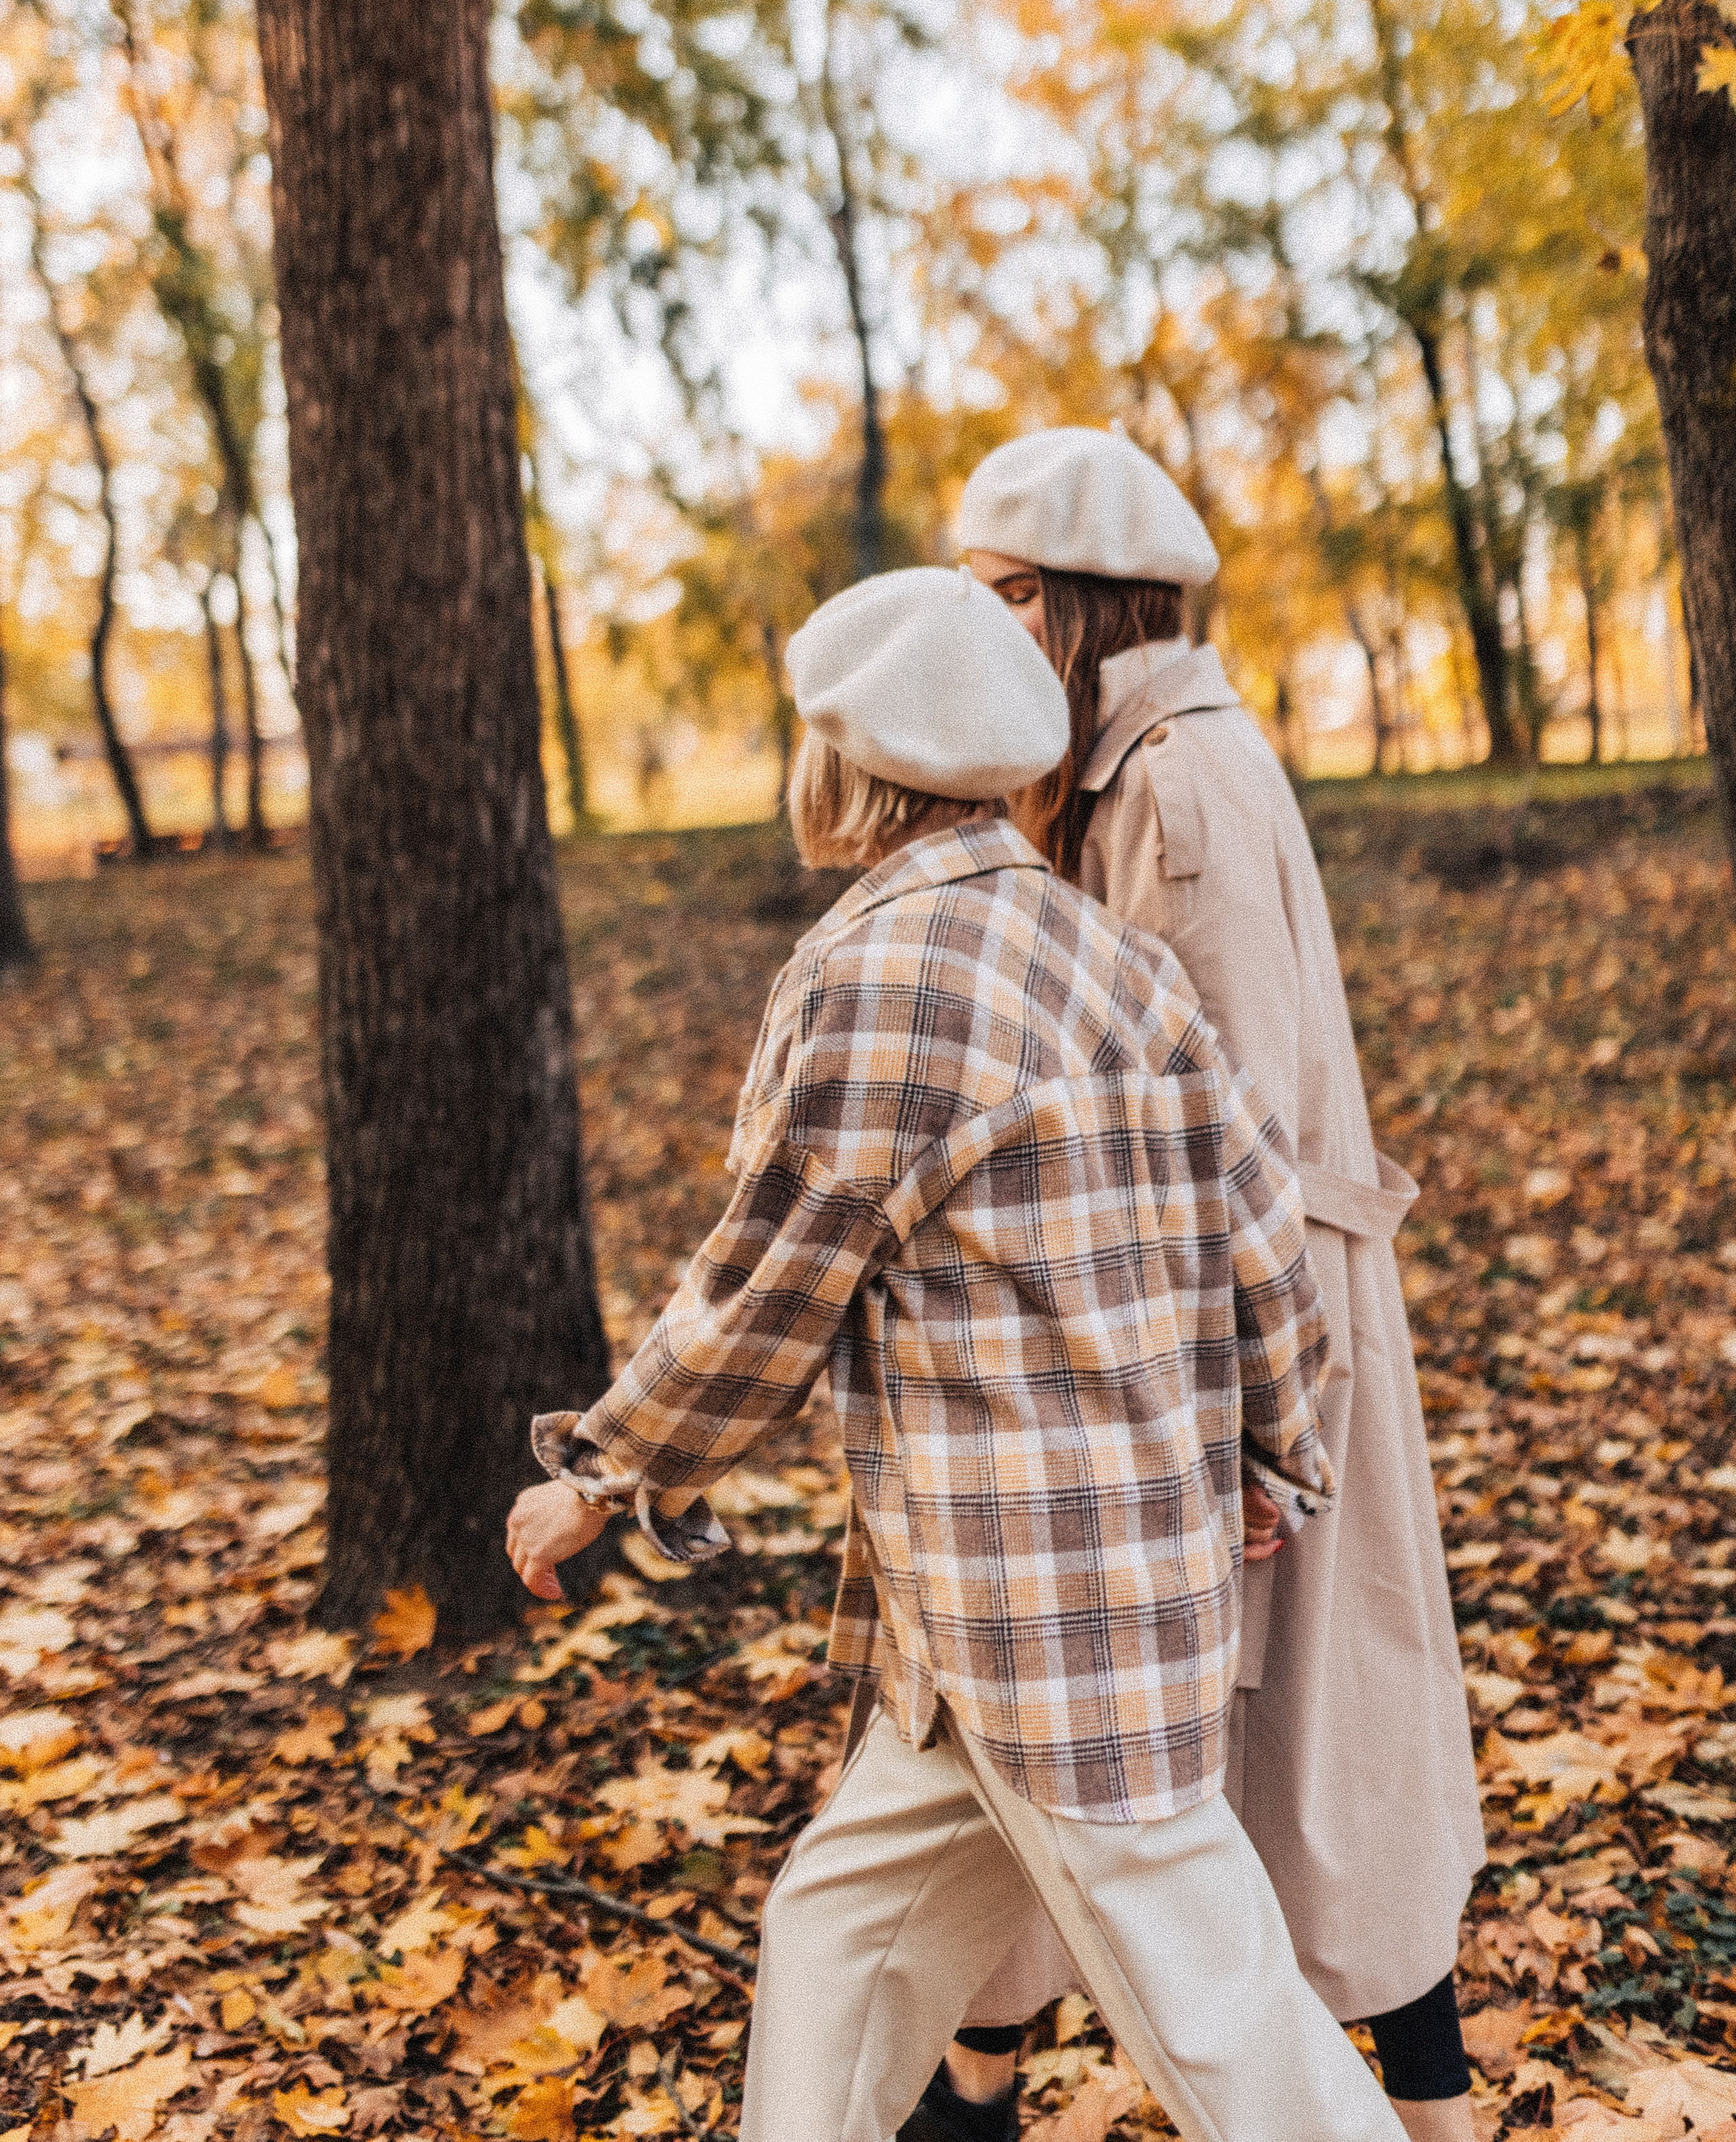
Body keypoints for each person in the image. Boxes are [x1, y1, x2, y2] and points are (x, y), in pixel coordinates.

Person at [506, 565, 1408, 2142]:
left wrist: (602, 1473)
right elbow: (1258, 1239)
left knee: (1220, 2029)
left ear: (843, 764)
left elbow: (766, 1283)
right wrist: (1274, 1447)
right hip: (1049, 1604)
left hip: (1033, 1612)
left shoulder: (872, 981)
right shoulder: (1114, 961)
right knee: (840, 1934)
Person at [923, 424, 1482, 2142]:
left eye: (1012, 595)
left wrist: (1247, 1413)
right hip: (1181, 1324)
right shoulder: (1123, 765)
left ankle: (1436, 2115)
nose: (988, 629)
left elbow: (1228, 1121)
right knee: (1120, 1718)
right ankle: (969, 2085)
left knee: (1323, 1733)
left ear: (1089, 601)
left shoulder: (1174, 776)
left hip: (1251, 1326)